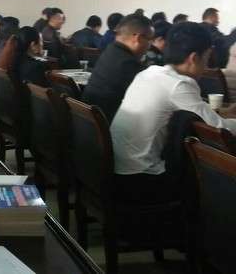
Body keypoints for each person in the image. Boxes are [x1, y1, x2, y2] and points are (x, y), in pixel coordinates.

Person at [111, 23, 236, 205]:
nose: (206, 66)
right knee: (213, 175)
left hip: (117, 170)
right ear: (194, 58)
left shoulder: (149, 73)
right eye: (207, 58)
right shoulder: (179, 85)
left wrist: (222, 112)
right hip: (142, 180)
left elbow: (197, 111)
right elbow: (219, 130)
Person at [82, 14, 153, 121]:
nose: (150, 45)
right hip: (109, 125)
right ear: (137, 38)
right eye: (150, 39)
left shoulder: (110, 50)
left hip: (89, 122)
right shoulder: (129, 64)